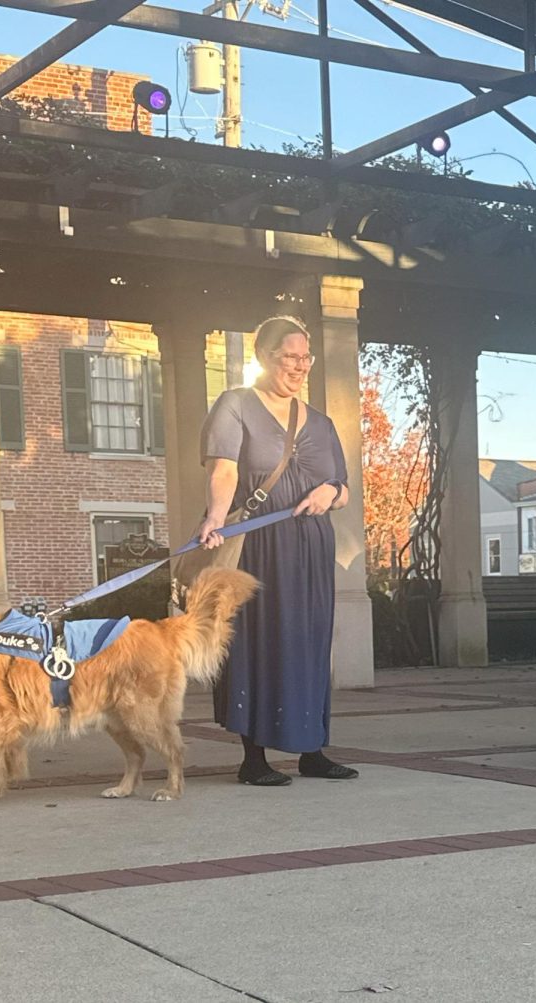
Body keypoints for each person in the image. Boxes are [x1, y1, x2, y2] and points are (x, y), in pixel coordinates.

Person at [198, 316, 358, 786]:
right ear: (262, 356)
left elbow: (343, 487)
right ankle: (254, 757)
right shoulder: (235, 404)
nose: (299, 366)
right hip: (260, 544)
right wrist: (214, 518)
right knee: (258, 639)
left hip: (311, 545)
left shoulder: (323, 423)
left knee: (309, 641)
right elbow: (224, 471)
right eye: (289, 356)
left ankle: (312, 748)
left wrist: (331, 494)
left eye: (305, 357)